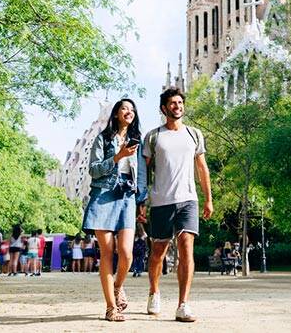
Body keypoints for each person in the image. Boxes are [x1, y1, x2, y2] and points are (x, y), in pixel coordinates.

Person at [140, 87, 212, 323]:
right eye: (173, 103)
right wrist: (141, 201)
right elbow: (144, 171)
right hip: (161, 202)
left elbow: (202, 168)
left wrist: (208, 198)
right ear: (164, 108)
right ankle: (154, 292)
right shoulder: (153, 136)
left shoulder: (194, 134)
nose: (177, 106)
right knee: (158, 253)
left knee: (186, 249)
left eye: (180, 102)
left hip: (188, 200)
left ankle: (183, 304)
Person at [82, 99, 148, 322]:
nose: (128, 112)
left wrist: (142, 200)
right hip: (104, 194)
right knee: (107, 253)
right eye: (124, 108)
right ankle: (111, 307)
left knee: (127, 253)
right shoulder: (103, 138)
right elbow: (93, 169)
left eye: (132, 109)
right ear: (116, 113)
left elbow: (141, 174)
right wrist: (118, 156)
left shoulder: (136, 140)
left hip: (127, 195)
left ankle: (118, 286)